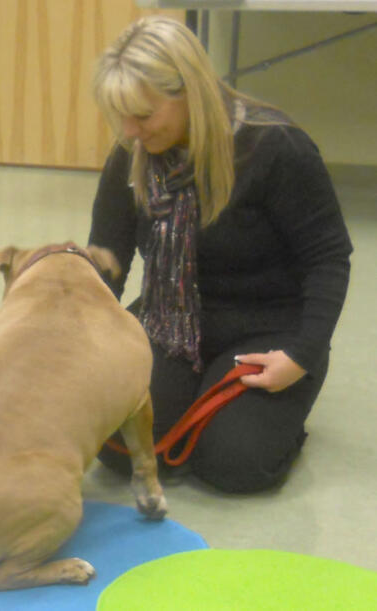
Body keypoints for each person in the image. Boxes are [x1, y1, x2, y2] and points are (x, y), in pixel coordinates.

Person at [88, 16, 352, 493]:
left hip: (268, 329)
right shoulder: (130, 154)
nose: (130, 130)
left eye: (143, 115)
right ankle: (193, 396)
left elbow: (329, 260)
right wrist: (75, 353)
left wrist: (301, 355)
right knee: (118, 449)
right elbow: (107, 263)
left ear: (188, 91)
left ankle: (273, 423)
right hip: (169, 319)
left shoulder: (276, 147)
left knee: (234, 464)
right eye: (120, 115)